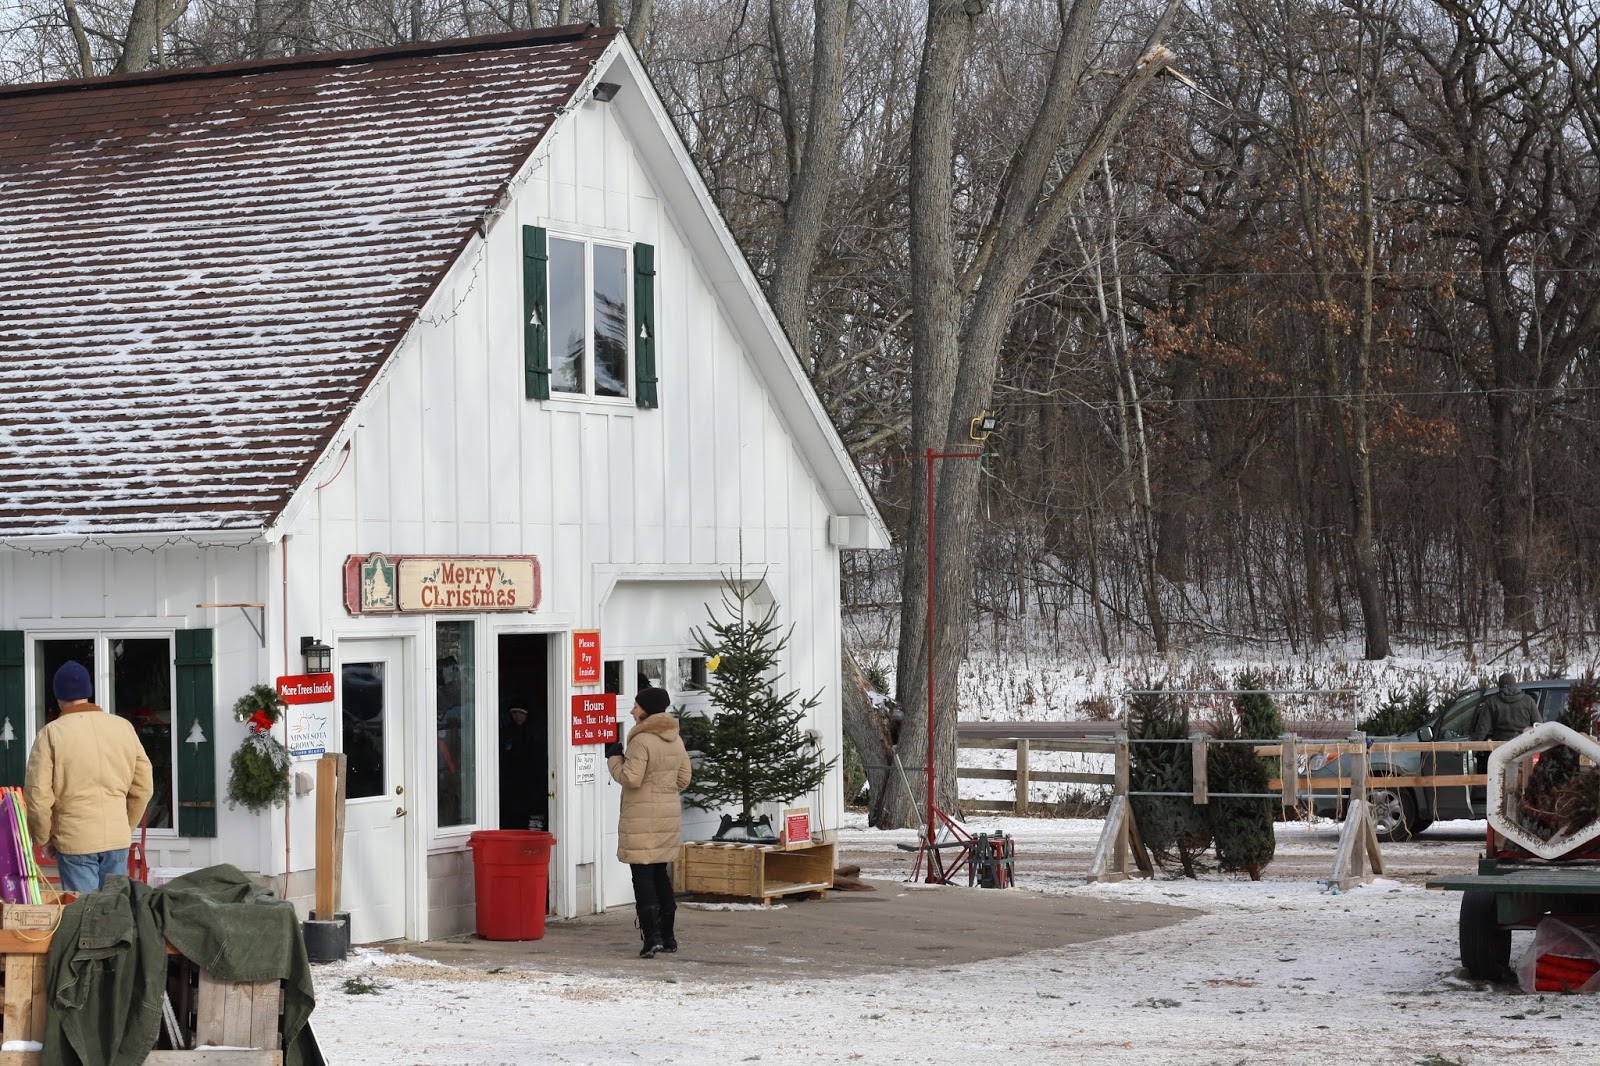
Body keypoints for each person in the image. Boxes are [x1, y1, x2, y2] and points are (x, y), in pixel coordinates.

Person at [24, 660, 153, 893]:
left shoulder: (51, 734)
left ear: (58, 695)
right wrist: (124, 826)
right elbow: (143, 787)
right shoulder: (123, 727)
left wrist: (42, 839)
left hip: (75, 840)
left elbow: (37, 795)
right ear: (88, 691)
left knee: (84, 918)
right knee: (113, 915)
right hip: (117, 838)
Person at [605, 687, 691, 959]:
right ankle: (668, 937)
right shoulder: (675, 739)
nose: (632, 711)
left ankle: (651, 937)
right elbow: (684, 779)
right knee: (660, 876)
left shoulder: (641, 741)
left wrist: (613, 757)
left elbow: (631, 778)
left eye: (636, 707)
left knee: (642, 877)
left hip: (642, 819)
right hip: (667, 817)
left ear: (647, 710)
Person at [499, 706, 545, 830]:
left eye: (521, 713)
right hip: (512, 788)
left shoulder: (536, 734)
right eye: (514, 713)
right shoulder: (507, 734)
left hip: (533, 789)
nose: (517, 716)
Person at [1471, 672, 1542, 743]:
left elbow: (1482, 730)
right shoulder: (1528, 700)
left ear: (1500, 686)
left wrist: (1471, 750)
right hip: (1524, 745)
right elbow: (1539, 725)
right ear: (1515, 685)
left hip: (1500, 747)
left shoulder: (1492, 702)